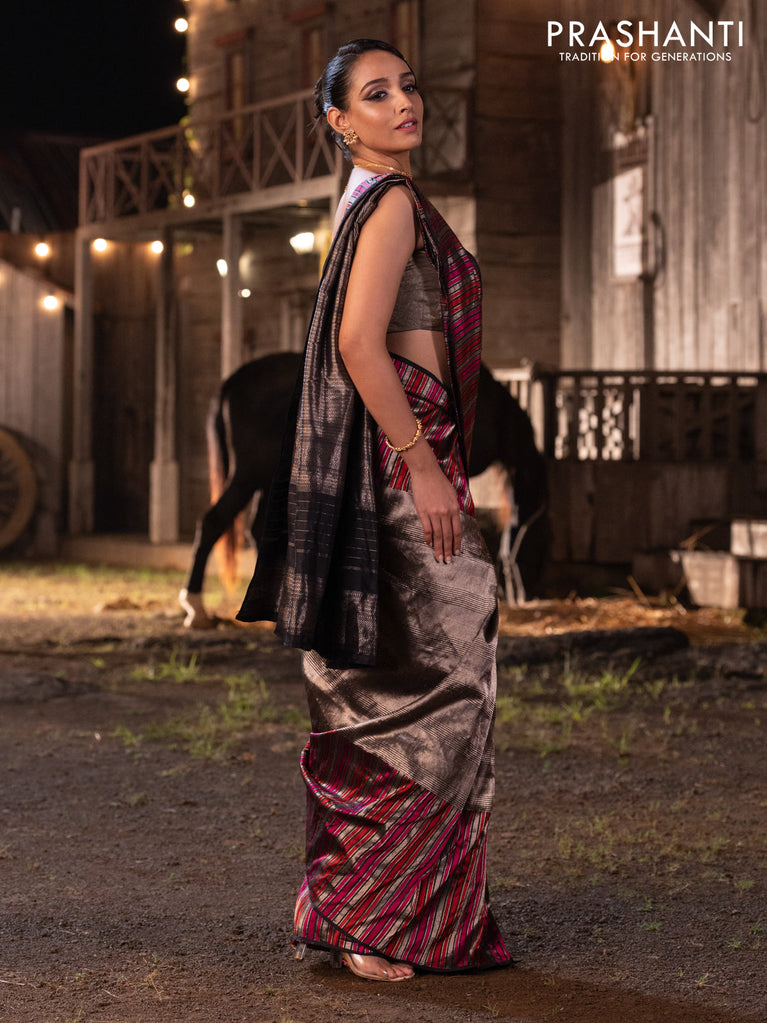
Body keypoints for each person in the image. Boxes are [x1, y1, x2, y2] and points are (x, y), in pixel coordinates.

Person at [237, 38, 512, 982]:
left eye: (408, 87)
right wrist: (421, 463)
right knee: (434, 686)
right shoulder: (388, 202)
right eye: (376, 93)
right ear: (340, 121)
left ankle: (361, 902)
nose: (405, 103)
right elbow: (360, 342)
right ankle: (377, 914)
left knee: (385, 685)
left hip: (401, 453)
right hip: (403, 464)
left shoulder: (367, 198)